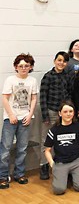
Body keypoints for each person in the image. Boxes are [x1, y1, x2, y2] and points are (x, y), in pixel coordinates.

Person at [0, 53, 38, 189]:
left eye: (26, 66)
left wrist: (30, 114)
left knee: (22, 148)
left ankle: (19, 174)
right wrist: (11, 115)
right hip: (10, 119)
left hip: (25, 118)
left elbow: (34, 98)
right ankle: (3, 176)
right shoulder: (10, 80)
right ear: (16, 67)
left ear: (30, 67)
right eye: (20, 66)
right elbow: (4, 98)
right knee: (5, 148)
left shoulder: (32, 81)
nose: (23, 68)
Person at [39, 51, 71, 180]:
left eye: (64, 61)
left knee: (62, 140)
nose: (61, 63)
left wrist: (68, 112)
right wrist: (45, 116)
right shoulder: (48, 76)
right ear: (54, 61)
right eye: (59, 60)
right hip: (51, 112)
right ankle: (44, 165)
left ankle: (60, 165)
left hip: (63, 114)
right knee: (46, 141)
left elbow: (69, 93)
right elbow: (42, 97)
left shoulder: (67, 76)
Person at [44, 100, 79, 195]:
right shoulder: (54, 130)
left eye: (71, 111)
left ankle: (72, 176)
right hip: (60, 163)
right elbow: (47, 150)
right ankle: (65, 176)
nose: (68, 114)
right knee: (58, 190)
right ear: (60, 113)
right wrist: (52, 165)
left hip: (76, 161)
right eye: (65, 112)